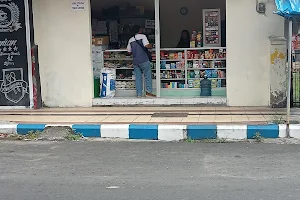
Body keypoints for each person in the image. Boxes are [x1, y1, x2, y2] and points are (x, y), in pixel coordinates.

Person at [127, 25, 155, 97]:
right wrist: (152, 45)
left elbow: (129, 52)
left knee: (138, 78)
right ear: (140, 30)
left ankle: (139, 94)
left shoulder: (130, 39)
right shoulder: (143, 36)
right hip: (144, 60)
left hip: (136, 61)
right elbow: (146, 45)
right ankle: (148, 92)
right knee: (147, 76)